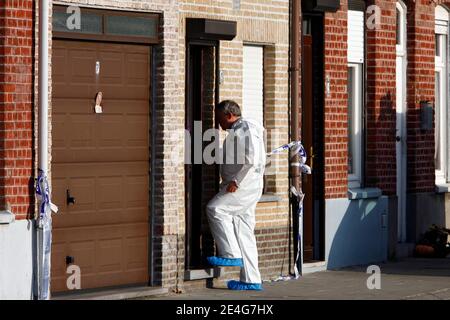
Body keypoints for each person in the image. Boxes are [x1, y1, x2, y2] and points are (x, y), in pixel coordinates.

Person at [206, 100, 266, 291]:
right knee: (244, 231)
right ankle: (251, 280)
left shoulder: (245, 127)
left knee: (216, 209)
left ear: (229, 115)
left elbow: (253, 159)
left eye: (220, 119)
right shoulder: (241, 129)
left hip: (243, 187)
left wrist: (236, 181)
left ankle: (230, 254)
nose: (219, 123)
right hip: (246, 185)